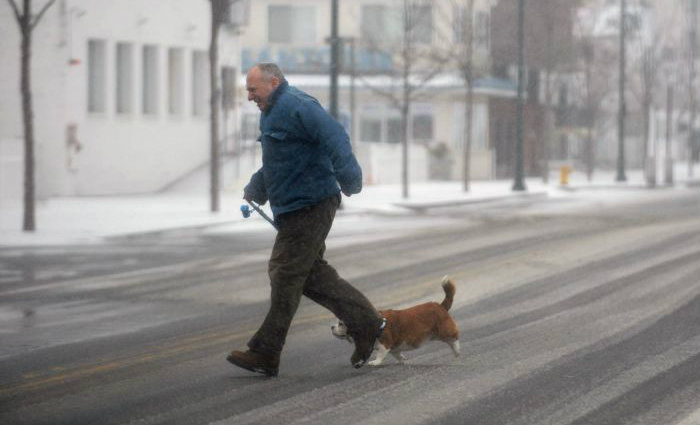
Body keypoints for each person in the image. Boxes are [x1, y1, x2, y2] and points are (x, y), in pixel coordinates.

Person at [227, 63, 385, 377]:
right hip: (294, 205)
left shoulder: (298, 105)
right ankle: (368, 326)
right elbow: (280, 160)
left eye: (252, 89)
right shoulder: (271, 110)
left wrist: (350, 178)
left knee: (285, 271)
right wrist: (257, 188)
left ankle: (266, 352)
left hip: (311, 203)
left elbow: (335, 136)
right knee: (310, 275)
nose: (249, 97)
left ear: (273, 82)